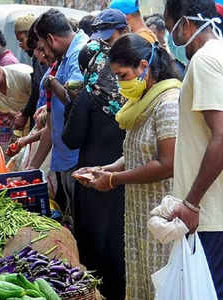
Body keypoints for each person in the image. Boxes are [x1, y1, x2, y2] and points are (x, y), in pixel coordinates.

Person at [80, 34, 180, 299]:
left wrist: (114, 180)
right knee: (141, 279)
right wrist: (107, 169)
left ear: (143, 66)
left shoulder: (168, 103)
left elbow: (167, 163)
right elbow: (136, 153)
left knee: (160, 283)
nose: (120, 84)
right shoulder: (141, 103)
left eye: (123, 76)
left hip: (161, 212)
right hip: (139, 211)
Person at [63, 10, 128, 299]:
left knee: (95, 246)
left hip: (93, 178)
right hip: (125, 178)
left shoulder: (91, 93)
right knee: (120, 244)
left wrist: (71, 102)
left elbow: (71, 137)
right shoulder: (131, 94)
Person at [164, 0, 223, 296]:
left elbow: (221, 135)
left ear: (185, 24)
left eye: (168, 29)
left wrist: (191, 202)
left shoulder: (204, 60)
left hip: (212, 214)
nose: (169, 39)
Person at [28, 9, 88, 229]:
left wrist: (52, 83)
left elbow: (76, 99)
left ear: (52, 39)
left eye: (43, 47)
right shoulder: (65, 57)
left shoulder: (78, 54)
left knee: (80, 222)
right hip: (66, 157)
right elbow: (54, 122)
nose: (44, 55)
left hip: (78, 159)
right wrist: (33, 168)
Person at [14, 14, 48, 131]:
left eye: (21, 40)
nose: (20, 45)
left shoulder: (39, 57)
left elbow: (37, 87)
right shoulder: (36, 57)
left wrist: (24, 115)